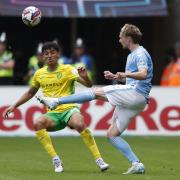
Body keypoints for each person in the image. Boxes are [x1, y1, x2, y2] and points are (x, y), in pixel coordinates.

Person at [37, 24, 153, 174]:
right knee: (112, 135)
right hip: (136, 99)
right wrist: (117, 77)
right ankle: (136, 163)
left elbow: (143, 74)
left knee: (95, 92)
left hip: (136, 94)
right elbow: (135, 80)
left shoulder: (139, 53)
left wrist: (125, 74)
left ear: (128, 38)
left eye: (121, 36)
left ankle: (56, 101)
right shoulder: (132, 55)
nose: (119, 39)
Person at [3, 42, 109, 173]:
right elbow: (30, 93)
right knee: (37, 123)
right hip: (53, 115)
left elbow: (88, 85)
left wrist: (85, 77)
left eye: (52, 52)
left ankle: (99, 160)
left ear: (58, 54)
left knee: (79, 123)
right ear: (42, 57)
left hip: (69, 109)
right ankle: (56, 160)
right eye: (46, 53)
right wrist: (14, 106)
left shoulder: (68, 69)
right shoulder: (39, 74)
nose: (49, 56)